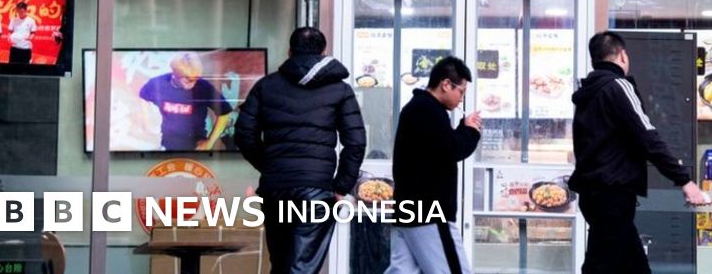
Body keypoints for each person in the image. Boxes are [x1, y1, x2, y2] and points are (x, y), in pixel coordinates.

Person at [569, 31, 712, 274]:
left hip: (593, 195)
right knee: (600, 266)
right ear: (622, 56)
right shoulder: (618, 86)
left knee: (633, 265)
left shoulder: (587, 94)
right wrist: (684, 180)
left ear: (594, 60)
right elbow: (648, 137)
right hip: (612, 195)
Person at [235, 27, 366, 274]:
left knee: (281, 265)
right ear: (324, 52)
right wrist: (341, 186)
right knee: (302, 268)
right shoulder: (340, 90)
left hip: (276, 190)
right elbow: (356, 143)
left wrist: (270, 166)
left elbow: (243, 134)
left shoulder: (265, 86)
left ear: (289, 52)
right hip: (316, 190)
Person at [386, 56, 482, 274]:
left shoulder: (417, 108)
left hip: (410, 211)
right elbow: (453, 149)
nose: (461, 99)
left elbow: (442, 147)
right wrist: (471, 130)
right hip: (430, 212)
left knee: (402, 271)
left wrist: (463, 128)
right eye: (461, 92)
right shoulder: (428, 110)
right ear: (446, 84)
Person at [138, 52, 233, 151]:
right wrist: (147, 121)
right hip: (166, 144)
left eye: (195, 79)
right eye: (188, 81)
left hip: (195, 146)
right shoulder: (158, 83)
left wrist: (210, 142)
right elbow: (143, 96)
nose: (193, 83)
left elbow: (225, 113)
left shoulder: (203, 86)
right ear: (175, 74)